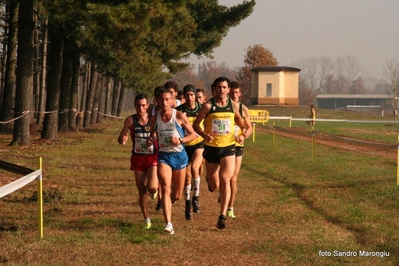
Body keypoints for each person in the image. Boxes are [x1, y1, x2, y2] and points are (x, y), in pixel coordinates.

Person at [193, 76, 249, 230]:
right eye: (219, 87)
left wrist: (243, 129)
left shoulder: (233, 105)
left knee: (226, 179)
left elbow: (238, 119)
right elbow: (196, 125)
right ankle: (210, 180)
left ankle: (222, 215)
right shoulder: (208, 106)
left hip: (229, 147)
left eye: (225, 87)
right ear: (214, 89)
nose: (222, 90)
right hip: (211, 148)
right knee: (215, 184)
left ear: (228, 89)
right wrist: (205, 135)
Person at [147, 87, 197, 234]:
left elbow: (193, 135)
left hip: (180, 157)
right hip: (164, 156)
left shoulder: (179, 116)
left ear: (172, 101)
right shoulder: (155, 118)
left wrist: (180, 140)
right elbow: (153, 134)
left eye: (167, 99)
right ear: (157, 101)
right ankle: (168, 224)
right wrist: (151, 140)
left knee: (176, 195)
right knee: (165, 187)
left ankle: (169, 201)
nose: (164, 102)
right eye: (161, 99)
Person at [117, 93, 158, 230]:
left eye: (143, 105)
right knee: (142, 192)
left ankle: (154, 189)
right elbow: (121, 137)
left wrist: (154, 139)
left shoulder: (153, 120)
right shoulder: (130, 120)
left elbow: (160, 135)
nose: (141, 108)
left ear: (147, 106)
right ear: (135, 106)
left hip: (152, 157)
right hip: (138, 158)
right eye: (138, 105)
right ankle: (147, 219)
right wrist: (123, 139)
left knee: (151, 187)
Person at [176, 84, 204, 220]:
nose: (190, 98)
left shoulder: (202, 109)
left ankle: (196, 199)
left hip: (198, 144)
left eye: (192, 95)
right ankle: (188, 204)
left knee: (195, 168)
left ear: (195, 96)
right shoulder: (179, 111)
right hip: (183, 146)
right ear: (184, 97)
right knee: (187, 177)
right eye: (187, 95)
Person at [226, 81, 253, 219]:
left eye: (237, 93)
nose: (234, 95)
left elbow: (249, 127)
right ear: (228, 93)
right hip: (224, 145)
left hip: (237, 146)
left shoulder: (243, 108)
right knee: (223, 178)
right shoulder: (224, 107)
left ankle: (230, 207)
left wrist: (245, 134)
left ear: (240, 93)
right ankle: (224, 194)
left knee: (233, 179)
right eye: (232, 93)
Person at [149, 86, 164, 211]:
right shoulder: (150, 110)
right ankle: (160, 198)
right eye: (158, 98)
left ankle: (161, 199)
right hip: (152, 146)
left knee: (162, 175)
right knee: (157, 175)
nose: (160, 101)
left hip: (166, 146)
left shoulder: (170, 110)